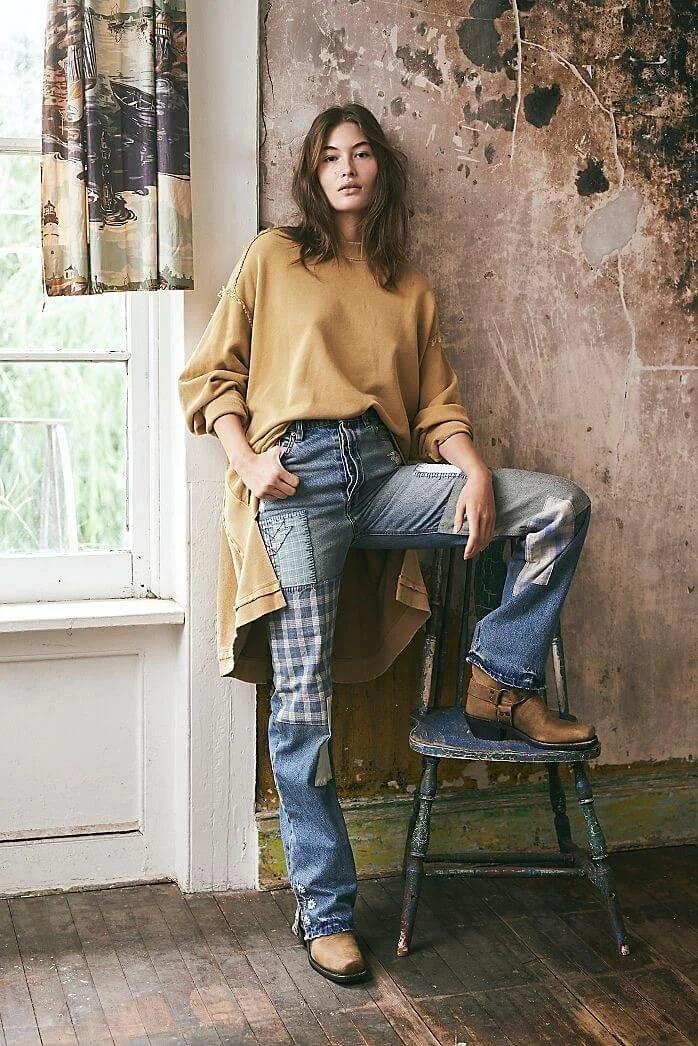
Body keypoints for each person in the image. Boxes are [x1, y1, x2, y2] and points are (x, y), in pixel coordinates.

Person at [178, 103, 596, 986]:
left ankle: (500, 677)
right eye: (331, 155)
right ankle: (326, 911)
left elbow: (438, 405)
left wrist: (472, 470)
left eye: (362, 153)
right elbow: (214, 374)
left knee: (559, 506)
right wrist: (247, 460)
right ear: (312, 171)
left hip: (382, 473)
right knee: (303, 704)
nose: (347, 167)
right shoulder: (273, 257)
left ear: (380, 171)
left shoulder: (408, 287)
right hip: (296, 484)